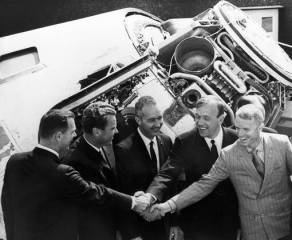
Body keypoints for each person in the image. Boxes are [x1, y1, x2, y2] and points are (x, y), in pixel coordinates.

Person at [1, 109, 149, 240]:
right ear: (58, 136)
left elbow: (6, 205)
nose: (74, 137)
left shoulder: (15, 161)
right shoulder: (62, 172)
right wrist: (133, 202)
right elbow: (97, 192)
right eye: (72, 132)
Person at [153, 104, 292, 240]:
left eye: (246, 129)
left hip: (285, 225)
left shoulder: (282, 144)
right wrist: (168, 206)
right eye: (238, 128)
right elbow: (203, 185)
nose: (240, 134)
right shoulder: (228, 154)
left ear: (260, 126)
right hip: (253, 231)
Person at [144, 95, 239, 240]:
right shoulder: (185, 141)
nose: (200, 122)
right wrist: (150, 195)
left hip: (230, 223)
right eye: (197, 117)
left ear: (221, 118)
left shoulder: (236, 140)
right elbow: (168, 173)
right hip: (197, 224)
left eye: (206, 118)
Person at [114, 96, 173, 240]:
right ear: (138, 120)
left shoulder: (166, 141)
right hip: (142, 228)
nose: (158, 124)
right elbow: (123, 195)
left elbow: (172, 182)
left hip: (166, 222)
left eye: (159, 118)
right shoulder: (123, 150)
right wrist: (132, 235)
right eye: (152, 120)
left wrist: (175, 223)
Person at [64, 102, 123, 240]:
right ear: (97, 132)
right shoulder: (74, 162)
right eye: (113, 128)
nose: (117, 132)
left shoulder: (98, 143)